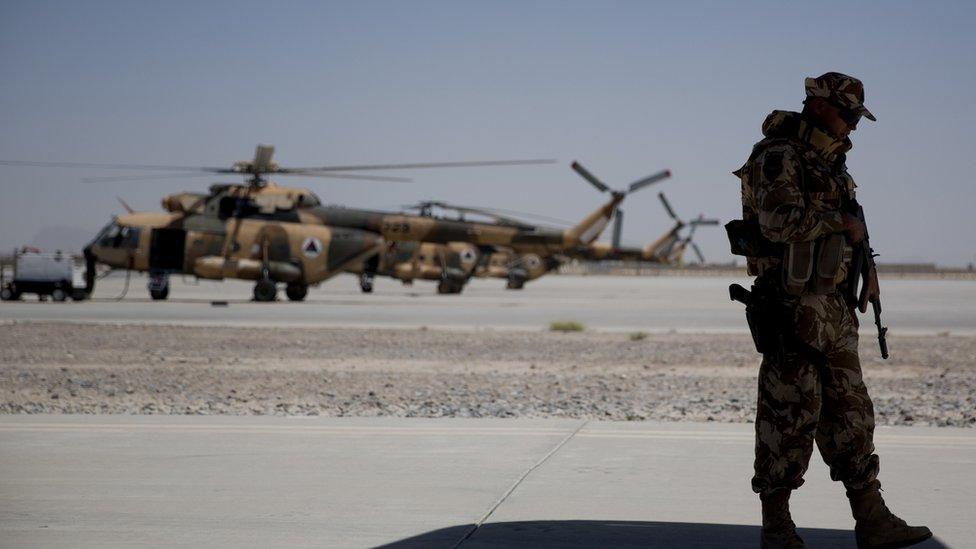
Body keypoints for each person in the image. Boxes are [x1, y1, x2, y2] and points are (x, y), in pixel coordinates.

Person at [732, 73, 932, 549]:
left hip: (834, 311)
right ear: (819, 106)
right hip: (791, 309)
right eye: (847, 115)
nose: (853, 127)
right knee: (789, 416)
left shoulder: (830, 164)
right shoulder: (778, 156)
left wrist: (867, 269)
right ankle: (777, 527)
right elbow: (777, 224)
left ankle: (873, 519)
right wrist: (837, 222)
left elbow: (852, 229)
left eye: (857, 118)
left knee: (852, 413)